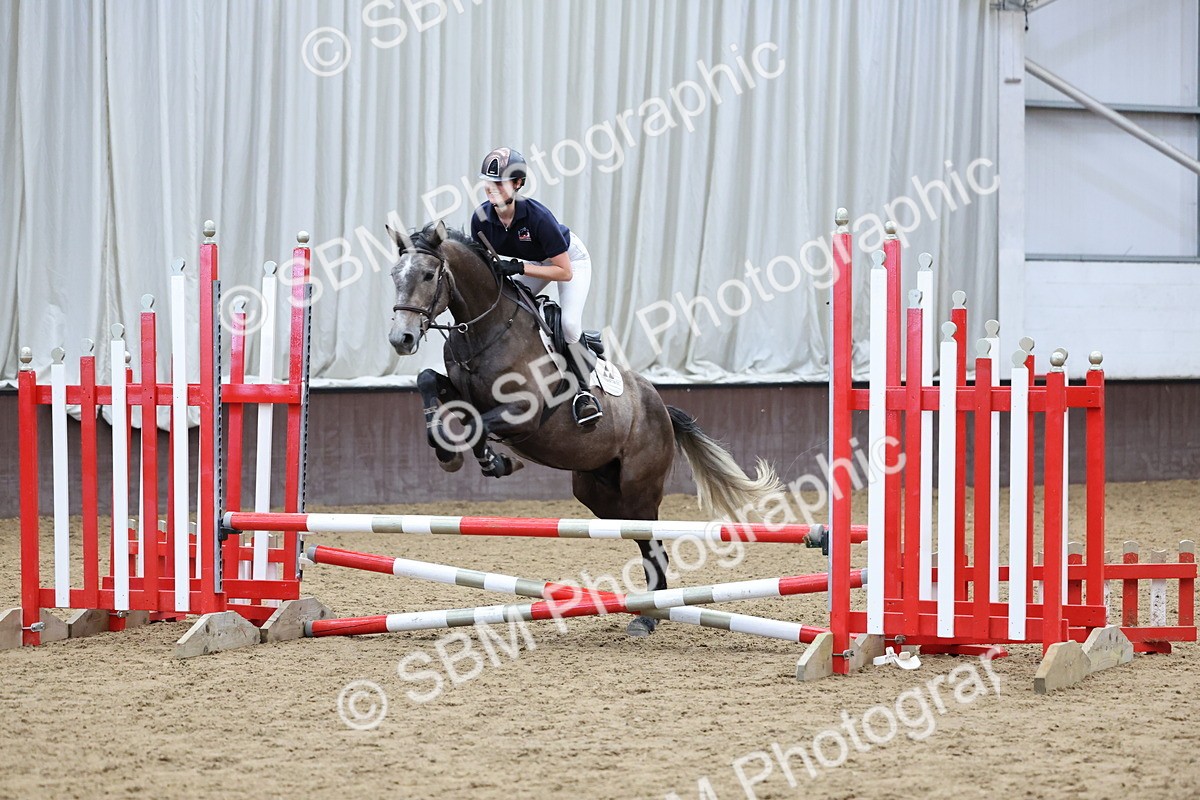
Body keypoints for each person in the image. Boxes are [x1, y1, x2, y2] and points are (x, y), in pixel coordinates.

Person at [470, 146, 603, 426]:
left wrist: (518, 267)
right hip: (537, 262)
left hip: (570, 262)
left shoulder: (538, 218)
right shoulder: (480, 219)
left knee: (568, 323)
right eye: (488, 182)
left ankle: (583, 392)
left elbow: (564, 272)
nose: (491, 189)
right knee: (506, 305)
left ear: (518, 184)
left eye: (500, 182)